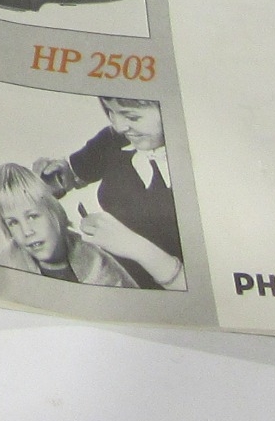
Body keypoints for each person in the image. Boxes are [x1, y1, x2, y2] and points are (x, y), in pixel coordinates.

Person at [37, 96, 185, 288]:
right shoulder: (114, 140)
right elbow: (73, 175)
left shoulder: (199, 167)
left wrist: (132, 245)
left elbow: (195, 286)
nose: (119, 126)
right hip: (111, 276)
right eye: (110, 112)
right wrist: (54, 179)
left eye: (132, 117)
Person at [0, 162, 139, 286]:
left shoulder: (97, 263)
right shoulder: (8, 263)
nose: (26, 231)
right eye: (13, 222)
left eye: (32, 216)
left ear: (54, 212)